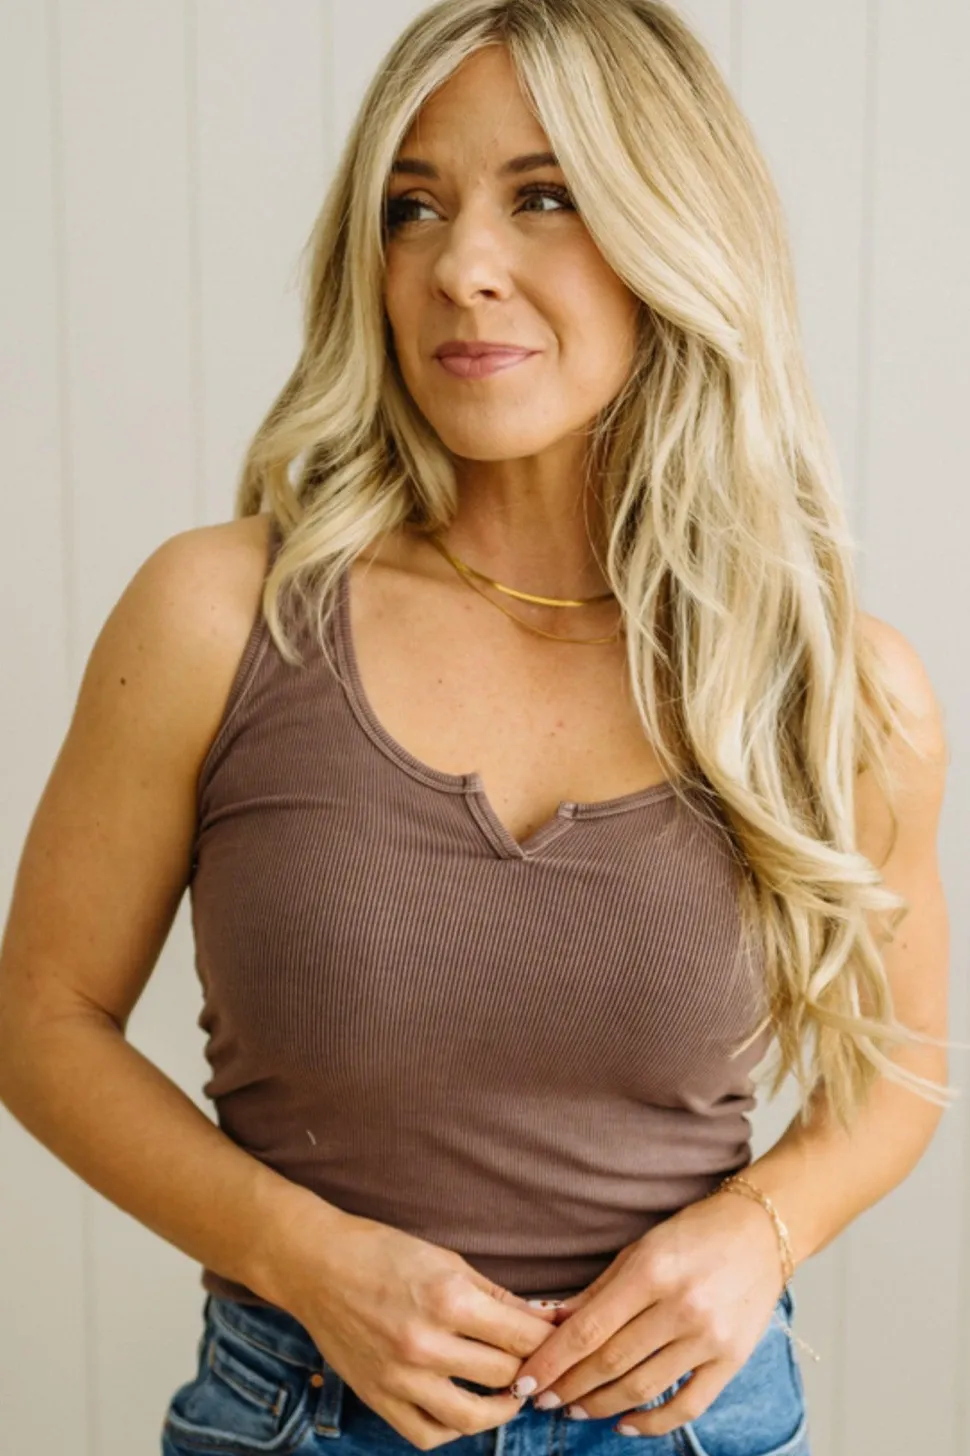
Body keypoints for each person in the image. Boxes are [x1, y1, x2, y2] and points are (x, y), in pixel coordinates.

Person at [0, 1, 954, 1453]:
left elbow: (898, 1069)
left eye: (544, 196)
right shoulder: (221, 617)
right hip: (301, 1412)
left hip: (691, 1426)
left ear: (672, 230)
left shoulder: (830, 683)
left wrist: (761, 1228)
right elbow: (41, 1020)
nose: (460, 268)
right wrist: (299, 1256)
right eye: (413, 208)